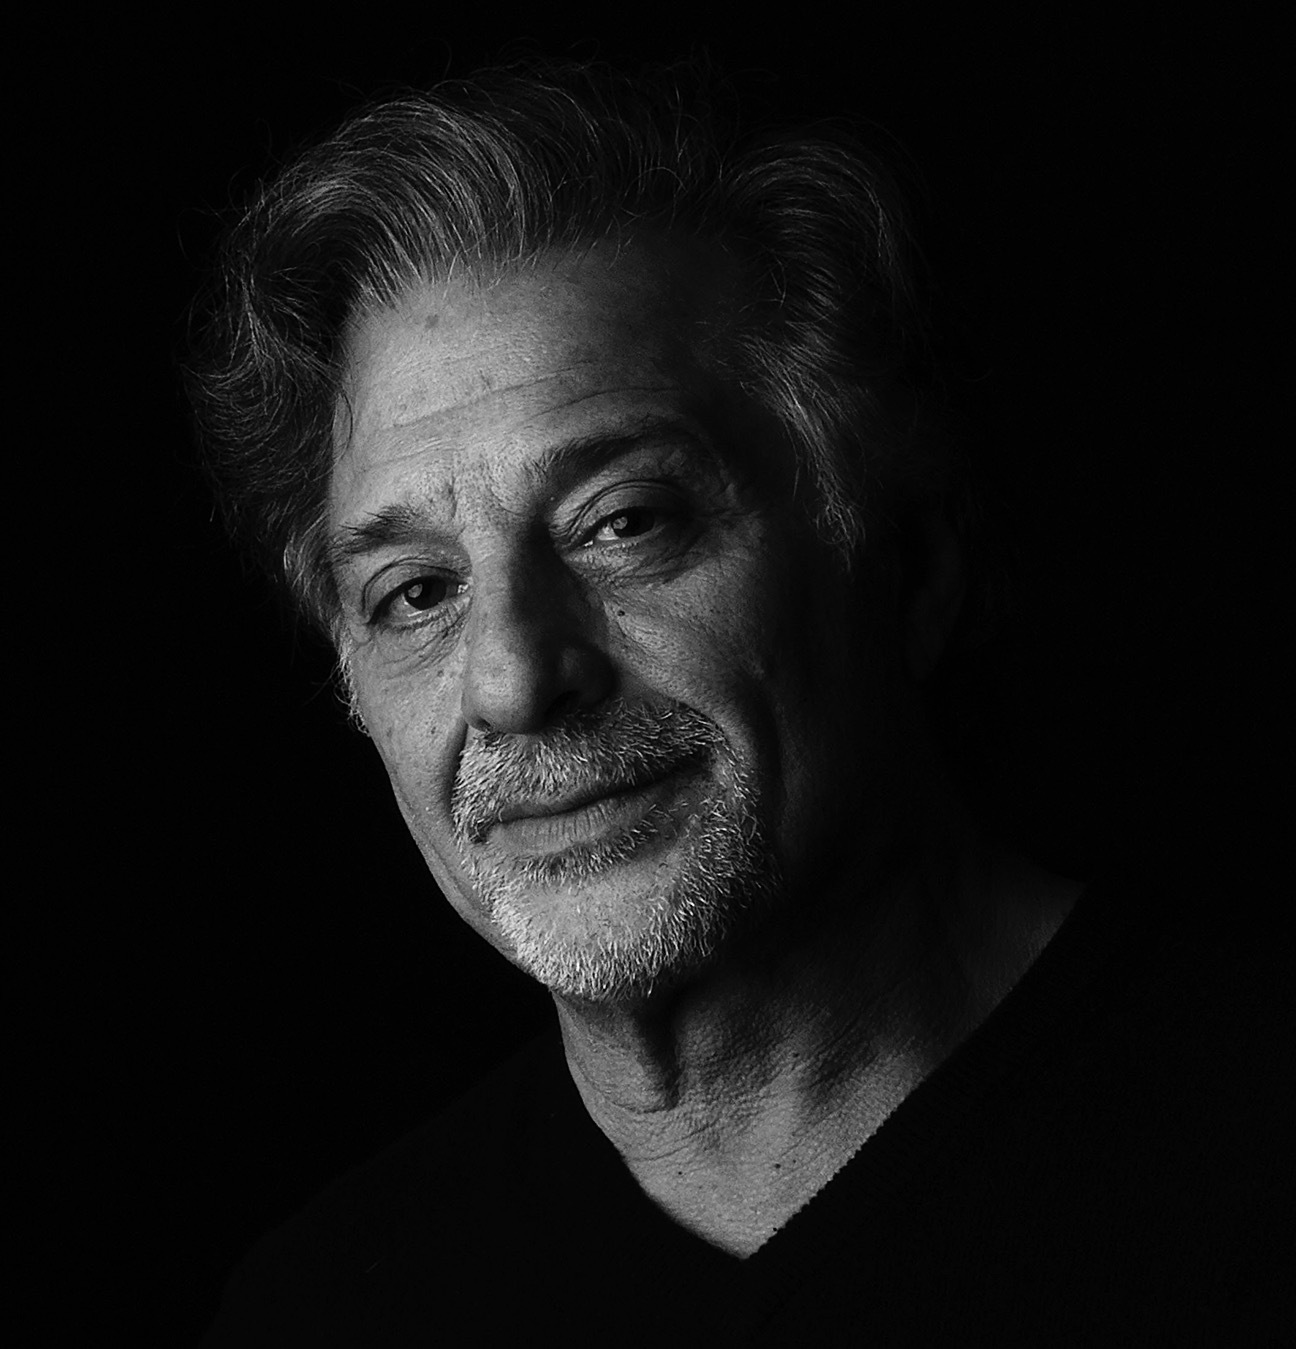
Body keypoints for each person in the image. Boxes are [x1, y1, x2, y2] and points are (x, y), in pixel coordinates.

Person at [190, 62, 1285, 1345]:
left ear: (907, 565)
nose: (515, 679)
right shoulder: (324, 1306)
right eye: (417, 592)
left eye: (622, 522)